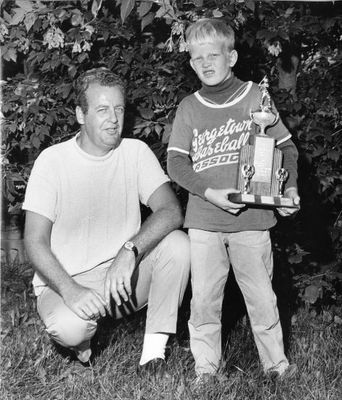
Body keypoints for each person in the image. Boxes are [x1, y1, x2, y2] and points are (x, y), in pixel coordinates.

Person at [23, 67, 190, 376]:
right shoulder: (52, 161)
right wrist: (71, 290)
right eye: (102, 110)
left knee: (178, 244)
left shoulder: (135, 152)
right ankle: (84, 339)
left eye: (119, 109)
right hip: (68, 279)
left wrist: (130, 251)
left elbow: (171, 211)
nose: (114, 118)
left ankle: (153, 353)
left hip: (121, 277)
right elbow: (33, 241)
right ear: (80, 115)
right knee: (70, 328)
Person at [167, 19, 300, 382]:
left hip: (253, 221)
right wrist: (208, 192)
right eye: (197, 58)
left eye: (214, 55)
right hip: (204, 222)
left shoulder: (257, 97)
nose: (206, 63)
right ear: (191, 62)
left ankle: (277, 366)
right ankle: (206, 371)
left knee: (261, 297)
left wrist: (287, 190)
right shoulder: (188, 107)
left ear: (232, 56)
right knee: (204, 300)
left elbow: (285, 149)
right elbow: (176, 162)